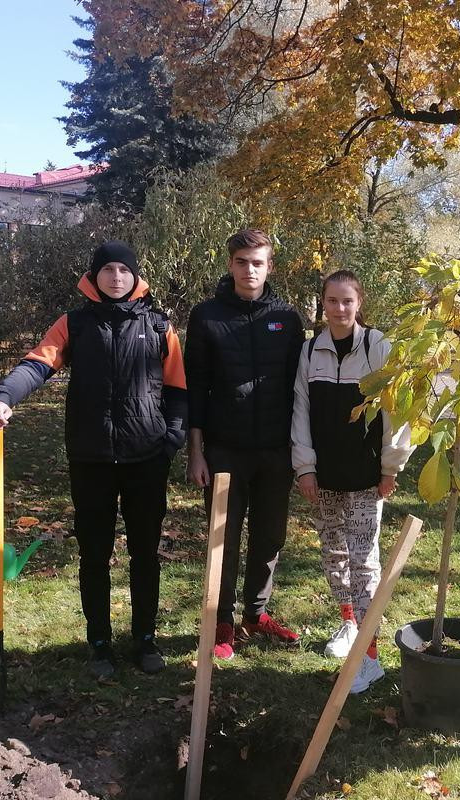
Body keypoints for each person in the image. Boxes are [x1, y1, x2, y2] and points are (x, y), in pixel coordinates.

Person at [0, 241, 187, 678]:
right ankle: (99, 645)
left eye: (123, 270)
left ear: (135, 277)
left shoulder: (160, 325)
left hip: (147, 458)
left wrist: (170, 442)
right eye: (107, 270)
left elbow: (178, 391)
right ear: (94, 278)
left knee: (145, 554)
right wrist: (3, 397)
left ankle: (145, 640)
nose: (116, 277)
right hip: (90, 458)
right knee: (94, 554)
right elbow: (36, 364)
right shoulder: (74, 324)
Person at [184, 229, 305, 660]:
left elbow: (300, 389)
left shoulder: (288, 319)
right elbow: (194, 387)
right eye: (241, 262)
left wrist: (301, 452)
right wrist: (195, 451)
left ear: (270, 265)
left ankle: (257, 614)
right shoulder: (206, 316)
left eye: (258, 262)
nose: (249, 270)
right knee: (224, 538)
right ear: (230, 264)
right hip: (224, 450)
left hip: (277, 451)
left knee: (269, 537)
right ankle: (222, 620)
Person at [290, 270, 413, 693]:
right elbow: (300, 413)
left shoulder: (378, 347)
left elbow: (395, 412)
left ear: (359, 303)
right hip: (324, 479)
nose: (339, 309)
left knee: (364, 562)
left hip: (364, 478)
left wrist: (390, 467)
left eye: (347, 301)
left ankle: (370, 655)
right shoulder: (310, 353)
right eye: (331, 301)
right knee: (334, 555)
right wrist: (304, 467)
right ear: (321, 304)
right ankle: (348, 624)